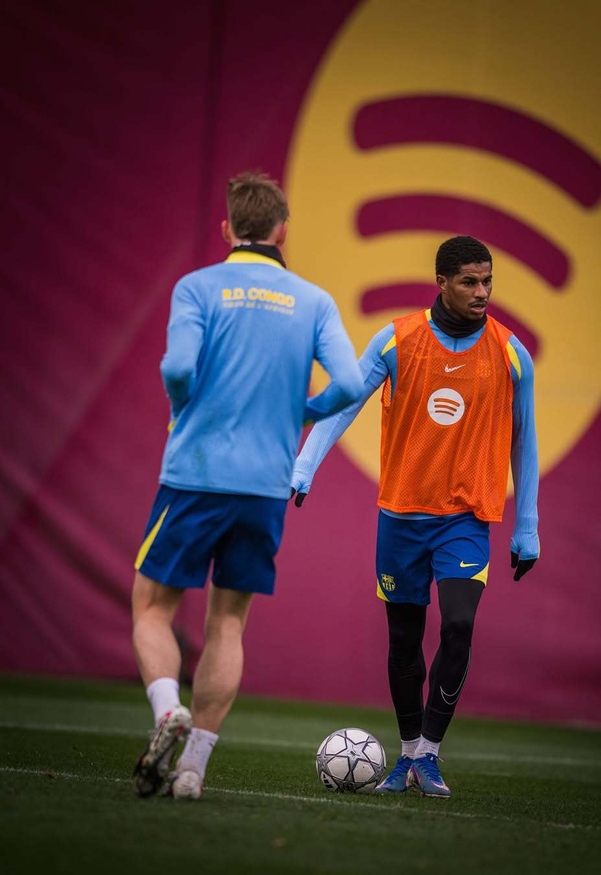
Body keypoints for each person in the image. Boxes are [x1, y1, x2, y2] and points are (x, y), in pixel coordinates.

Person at [131, 172, 363, 800]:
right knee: (228, 623)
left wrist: (184, 404)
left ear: (228, 229)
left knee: (152, 608)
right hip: (264, 486)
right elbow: (349, 383)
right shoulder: (313, 301)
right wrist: (303, 412)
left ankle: (166, 711)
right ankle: (192, 771)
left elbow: (179, 367)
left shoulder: (198, 287)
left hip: (196, 474)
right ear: (282, 231)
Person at [292, 236, 539, 797]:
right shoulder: (397, 339)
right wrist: (304, 465)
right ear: (442, 282)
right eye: (470, 282)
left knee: (457, 625)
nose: (482, 292)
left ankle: (429, 754)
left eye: (488, 281)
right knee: (404, 640)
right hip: (400, 519)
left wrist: (527, 526)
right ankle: (405, 756)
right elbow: (344, 403)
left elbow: (524, 441)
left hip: (465, 519)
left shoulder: (510, 354)